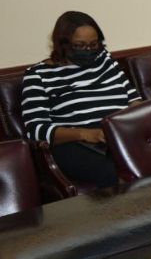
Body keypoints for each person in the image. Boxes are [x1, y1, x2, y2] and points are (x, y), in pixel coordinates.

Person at [20, 11, 141, 188]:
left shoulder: (106, 61)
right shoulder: (38, 75)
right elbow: (36, 129)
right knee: (113, 170)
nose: (88, 50)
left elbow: (134, 100)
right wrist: (85, 134)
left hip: (118, 136)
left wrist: (134, 124)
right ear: (62, 44)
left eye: (93, 44)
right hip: (75, 144)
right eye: (80, 45)